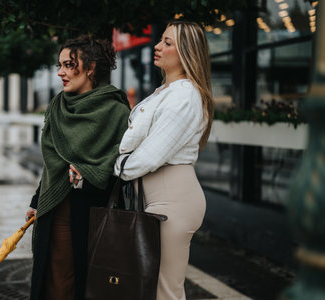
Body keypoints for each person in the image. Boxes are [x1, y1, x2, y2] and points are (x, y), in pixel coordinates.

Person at [114, 20, 214, 300]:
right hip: (155, 196)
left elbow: (149, 156)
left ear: (187, 53)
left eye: (168, 43)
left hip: (173, 199)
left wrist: (114, 166)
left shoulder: (185, 96)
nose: (157, 46)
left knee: (165, 290)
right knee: (148, 286)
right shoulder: (164, 93)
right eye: (161, 40)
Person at [26, 35, 130, 300]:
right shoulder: (58, 106)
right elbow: (53, 163)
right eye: (60, 65)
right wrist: (37, 200)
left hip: (90, 213)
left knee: (80, 284)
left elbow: (119, 166)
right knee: (53, 280)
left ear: (91, 68)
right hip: (54, 209)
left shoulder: (115, 111)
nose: (60, 72)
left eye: (69, 64)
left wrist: (88, 174)